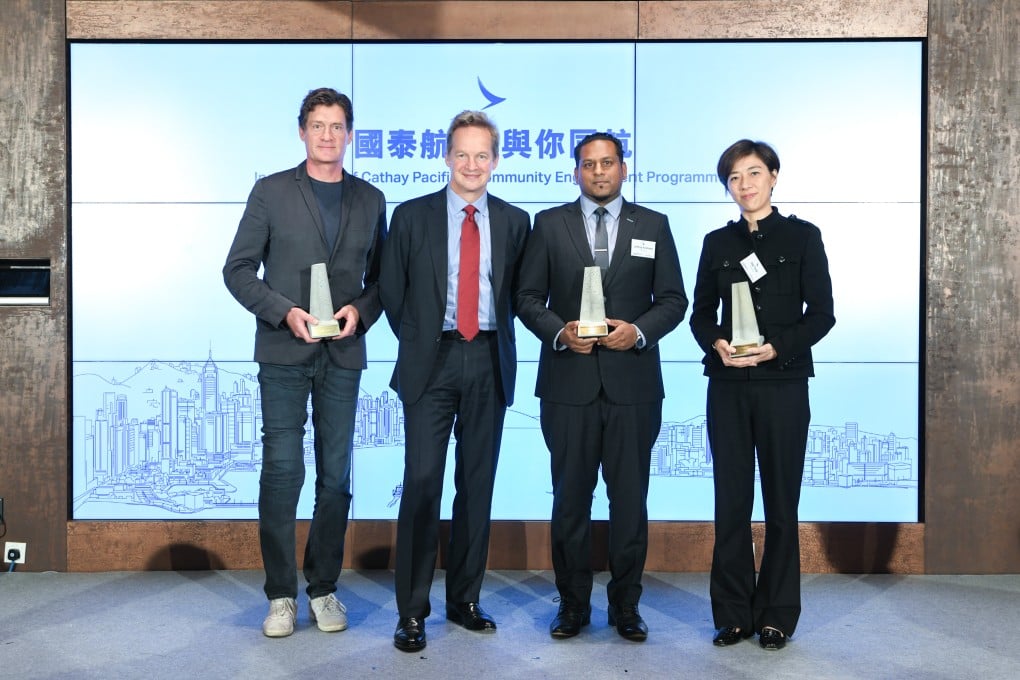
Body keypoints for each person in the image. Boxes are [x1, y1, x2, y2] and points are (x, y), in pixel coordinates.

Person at [223, 87, 387, 638]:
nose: (326, 135)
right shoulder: (270, 192)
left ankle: (323, 588)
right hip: (284, 351)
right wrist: (283, 311)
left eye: (337, 126)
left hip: (342, 353)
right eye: (317, 125)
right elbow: (239, 270)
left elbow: (384, 282)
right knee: (283, 471)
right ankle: (279, 594)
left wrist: (360, 312)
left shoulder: (370, 199)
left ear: (349, 133)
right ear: (301, 131)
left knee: (335, 477)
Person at [515, 132, 688, 642]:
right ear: (575, 172)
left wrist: (638, 332)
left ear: (623, 168)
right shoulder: (548, 225)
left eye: (607, 162)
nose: (598, 172)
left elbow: (673, 299)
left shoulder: (653, 225)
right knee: (570, 501)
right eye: (588, 164)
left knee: (630, 501)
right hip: (568, 385)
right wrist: (559, 333)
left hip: (633, 386)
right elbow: (527, 298)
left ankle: (626, 606)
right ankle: (572, 605)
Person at [379, 110, 530, 653]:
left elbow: (519, 295)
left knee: (477, 485)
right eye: (462, 154)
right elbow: (393, 293)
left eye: (482, 155)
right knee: (421, 484)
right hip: (432, 360)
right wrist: (424, 341)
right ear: (447, 157)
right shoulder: (412, 216)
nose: (472, 165)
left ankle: (464, 600)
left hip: (489, 358)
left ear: (495, 160)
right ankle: (412, 611)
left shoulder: (515, 222)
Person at [690, 139, 835, 651]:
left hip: (783, 385)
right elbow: (700, 313)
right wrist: (716, 342)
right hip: (727, 387)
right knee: (730, 502)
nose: (744, 185)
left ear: (773, 176)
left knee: (780, 502)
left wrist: (776, 349)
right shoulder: (716, 242)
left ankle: (777, 614)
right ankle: (731, 613)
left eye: (753, 173)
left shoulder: (802, 237)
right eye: (734, 177)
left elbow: (822, 315)